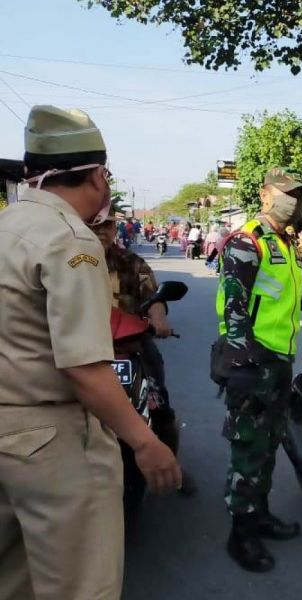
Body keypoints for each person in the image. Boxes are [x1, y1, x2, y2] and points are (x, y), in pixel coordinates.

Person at [0, 105, 180, 600]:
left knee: (15, 580)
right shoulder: (68, 239)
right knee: (81, 585)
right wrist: (144, 442)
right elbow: (83, 366)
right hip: (53, 443)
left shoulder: (9, 225)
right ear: (99, 175)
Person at [215, 167, 302, 572]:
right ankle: (241, 535)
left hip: (279, 361)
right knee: (248, 451)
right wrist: (243, 364)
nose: (294, 200)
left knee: (268, 447)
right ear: (265, 194)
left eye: (299, 194)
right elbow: (233, 308)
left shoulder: (283, 243)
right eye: (286, 193)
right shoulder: (247, 241)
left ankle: (260, 514)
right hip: (253, 362)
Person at [90, 205, 197, 496]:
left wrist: (159, 321)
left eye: (107, 225)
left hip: (131, 346)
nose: (101, 231)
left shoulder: (131, 262)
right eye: (94, 224)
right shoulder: (68, 263)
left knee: (159, 405)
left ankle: (171, 464)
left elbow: (154, 297)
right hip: (82, 352)